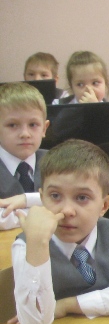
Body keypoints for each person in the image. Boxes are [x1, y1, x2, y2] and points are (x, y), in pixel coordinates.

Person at [9, 139, 109, 324]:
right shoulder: (26, 244)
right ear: (42, 198)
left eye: (82, 198)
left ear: (104, 205)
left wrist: (67, 305)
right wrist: (37, 244)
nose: (67, 210)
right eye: (55, 196)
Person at [0, 83, 48, 230]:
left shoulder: (56, 161)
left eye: (33, 125)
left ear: (44, 128)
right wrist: (46, 205)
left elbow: (73, 203)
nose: (25, 134)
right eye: (12, 125)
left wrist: (27, 200)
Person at [58, 51, 109, 128]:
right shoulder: (62, 109)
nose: (89, 89)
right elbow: (59, 130)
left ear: (105, 83)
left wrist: (96, 109)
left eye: (95, 83)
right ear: (71, 87)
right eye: (80, 84)